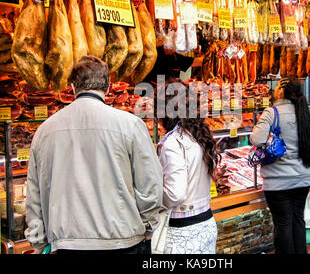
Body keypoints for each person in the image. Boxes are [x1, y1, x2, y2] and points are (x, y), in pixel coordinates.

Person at [25, 56, 163, 254]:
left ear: (72, 87)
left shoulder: (45, 130)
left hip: (67, 244)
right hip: (123, 240)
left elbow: (34, 192)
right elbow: (150, 183)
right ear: (108, 88)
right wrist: (149, 224)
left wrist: (38, 240)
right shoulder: (130, 125)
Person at [249, 77, 310, 254]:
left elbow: (256, 139)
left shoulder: (272, 112)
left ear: (282, 91)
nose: (273, 89)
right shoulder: (303, 112)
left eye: (276, 86)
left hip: (278, 182)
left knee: (283, 224)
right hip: (303, 179)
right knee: (298, 221)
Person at [157, 78, 220, 254]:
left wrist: (152, 194)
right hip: (206, 222)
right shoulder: (200, 134)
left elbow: (174, 194)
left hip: (183, 230)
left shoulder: (173, 142)